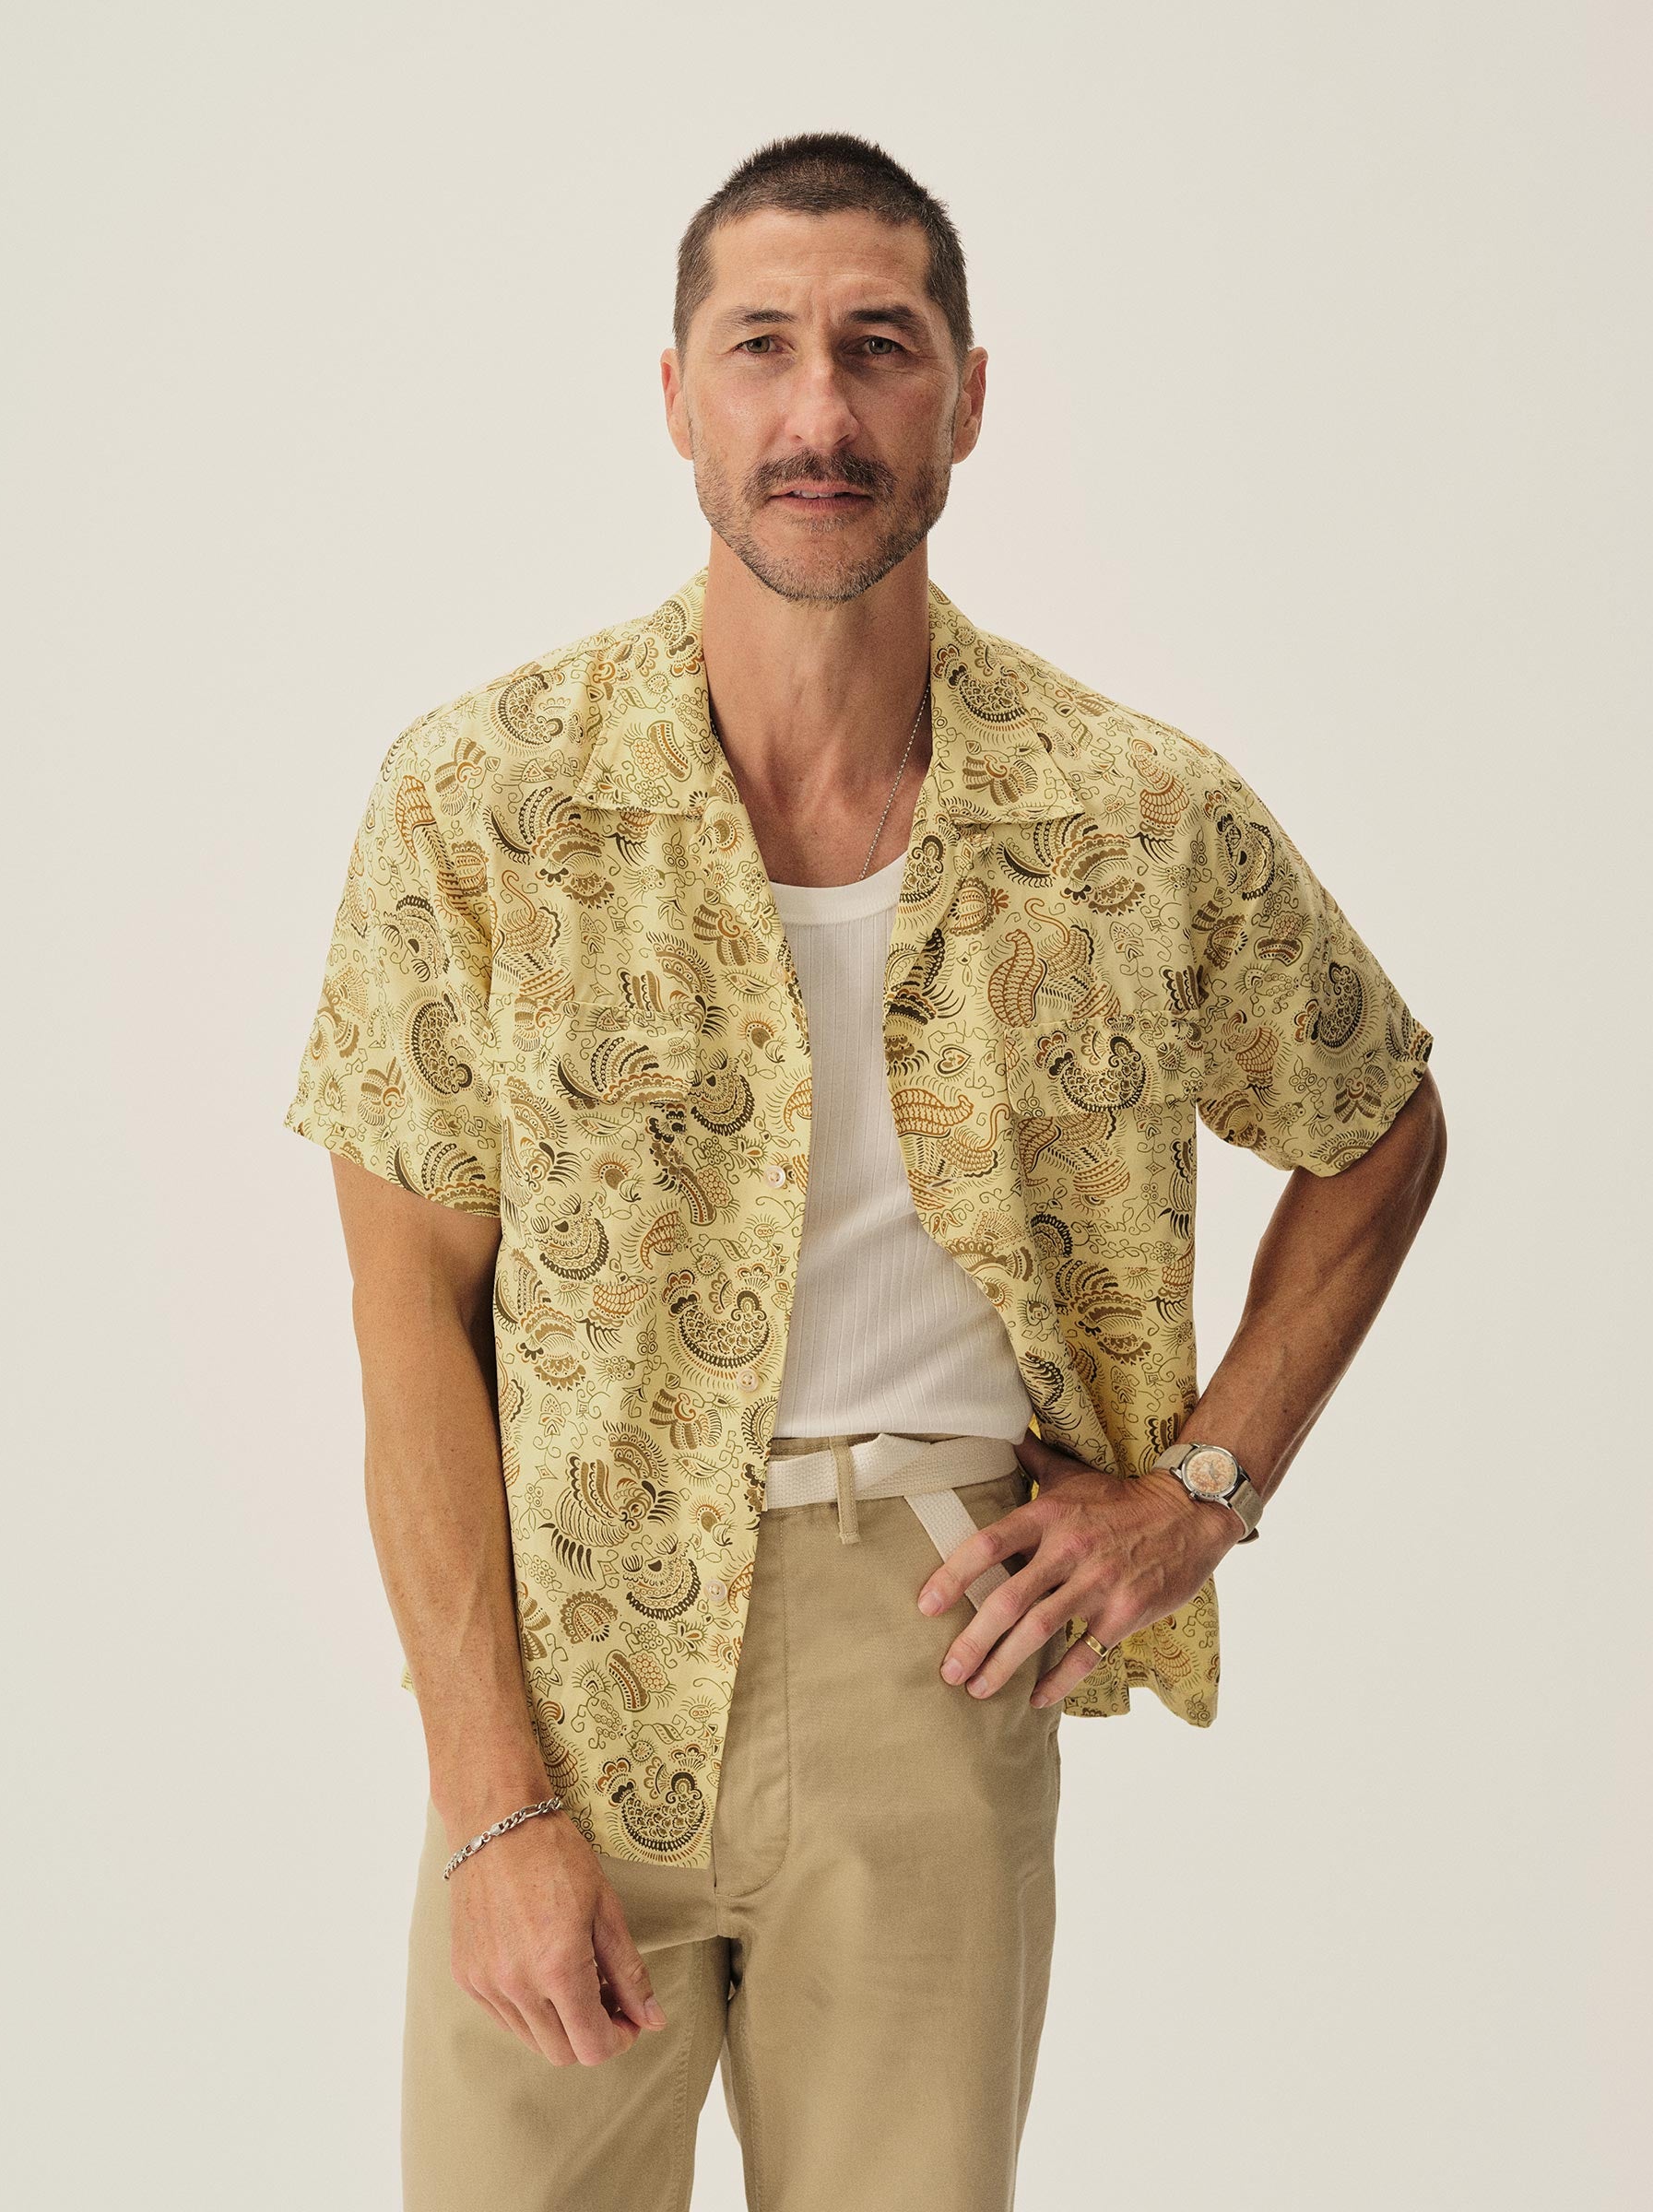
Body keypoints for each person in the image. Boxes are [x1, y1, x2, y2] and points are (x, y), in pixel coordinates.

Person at [282, 130, 1446, 2212]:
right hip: (568, 1683)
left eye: (879, 349)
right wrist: (489, 1796)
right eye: (761, 348)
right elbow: (406, 1315)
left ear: (967, 400)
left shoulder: (1132, 817)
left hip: (937, 1636)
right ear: (677, 399)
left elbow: (1380, 1124)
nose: (817, 411)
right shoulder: (486, 802)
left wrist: (1206, 1489)